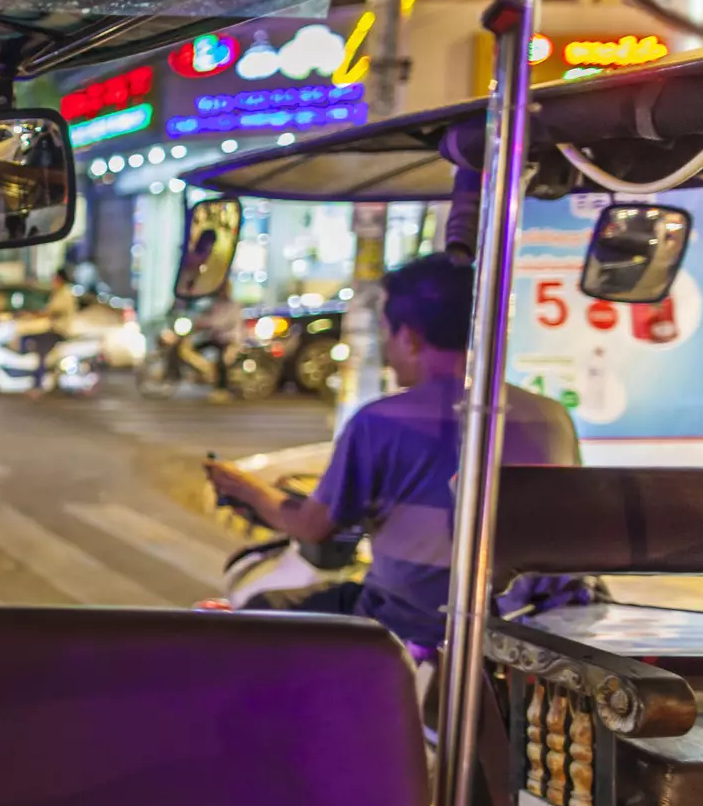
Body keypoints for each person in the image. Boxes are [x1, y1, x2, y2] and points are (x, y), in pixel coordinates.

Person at [203, 253, 579, 650]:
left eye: (386, 330)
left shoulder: (380, 422)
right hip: (520, 622)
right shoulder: (551, 417)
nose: (385, 346)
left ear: (410, 337)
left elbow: (313, 527)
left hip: (411, 622)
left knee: (262, 610)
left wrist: (247, 489)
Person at [14, 268, 78, 398]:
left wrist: (34, 314)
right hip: (52, 329)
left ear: (60, 279)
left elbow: (53, 311)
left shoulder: (65, 293)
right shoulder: (58, 292)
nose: (52, 281)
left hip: (60, 331)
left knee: (41, 351)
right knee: (27, 339)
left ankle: (38, 385)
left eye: (54, 278)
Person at [181, 284, 242, 399]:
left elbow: (222, 321)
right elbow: (206, 315)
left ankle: (222, 389)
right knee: (195, 348)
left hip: (229, 339)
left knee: (221, 360)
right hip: (215, 338)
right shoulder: (215, 304)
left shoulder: (234, 305)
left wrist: (206, 324)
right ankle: (207, 371)